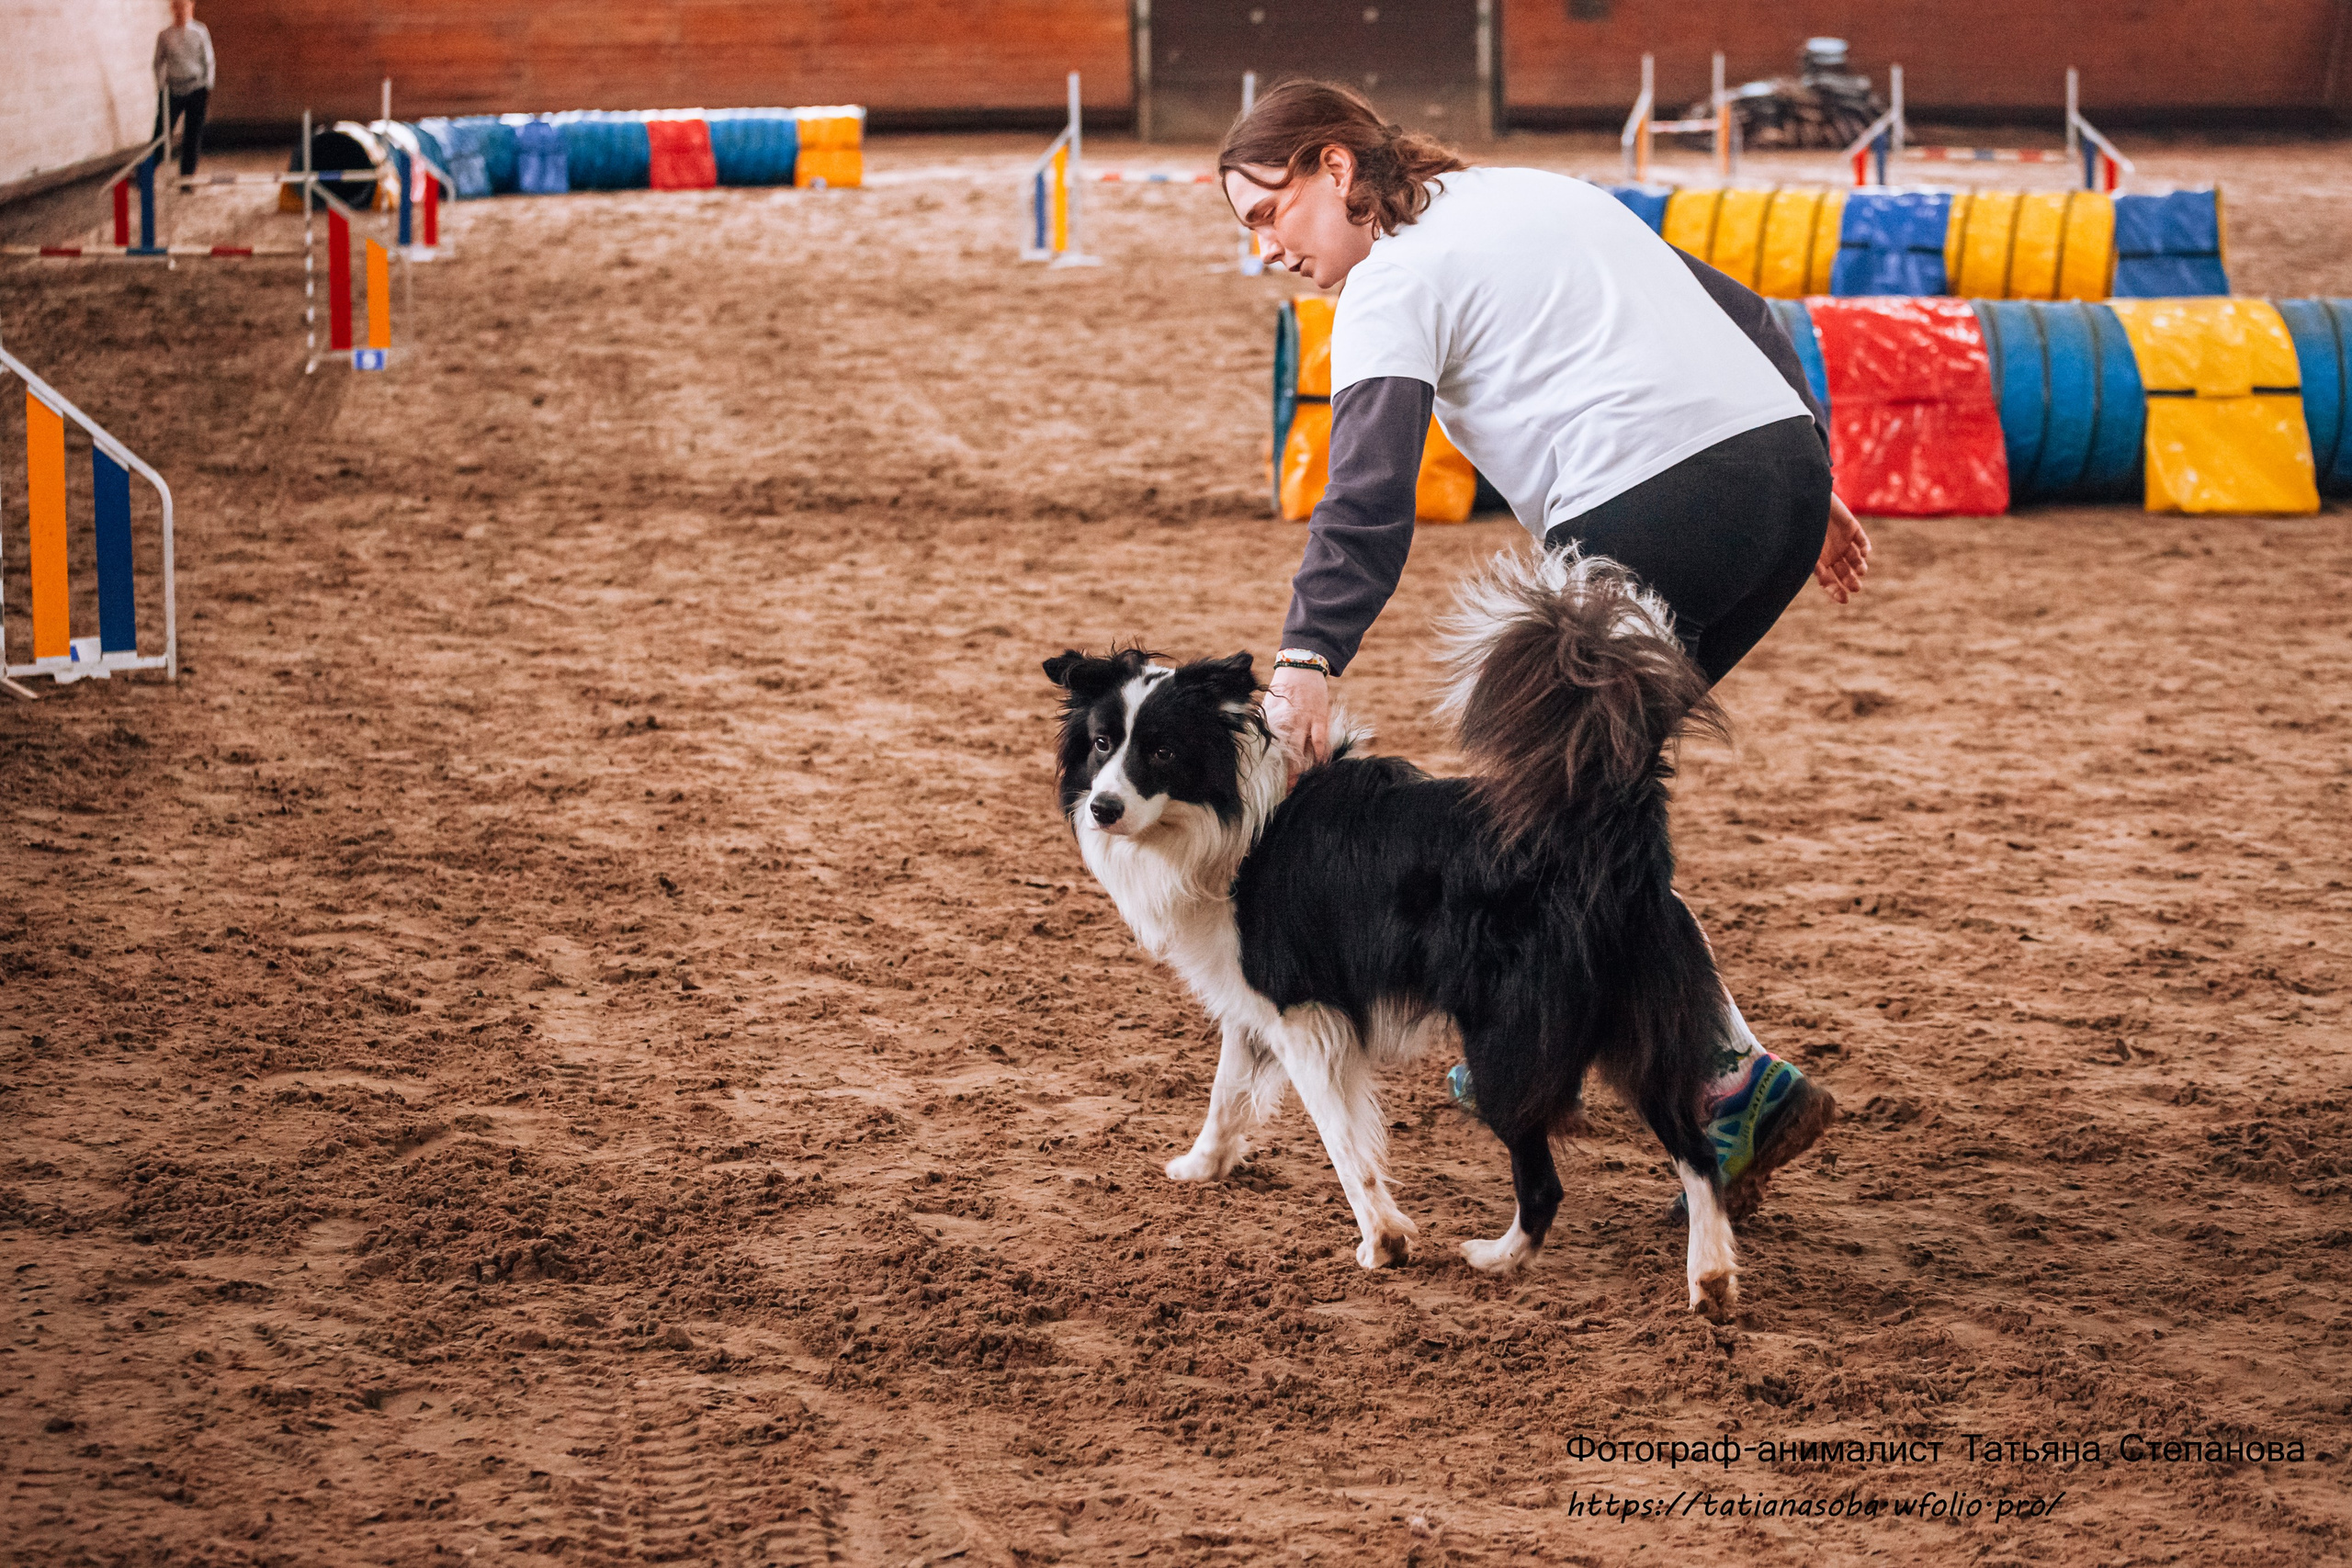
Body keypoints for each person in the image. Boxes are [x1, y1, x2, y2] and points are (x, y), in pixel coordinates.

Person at [1220, 81, 1862, 1216]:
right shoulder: (1531, 192)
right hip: (1775, 479)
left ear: (1335, 168)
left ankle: (1687, 1072)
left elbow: (1365, 495)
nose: (1265, 248)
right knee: (1581, 809)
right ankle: (1659, 1063)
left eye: (1268, 213)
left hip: (1647, 507)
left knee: (1548, 814)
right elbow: (1743, 311)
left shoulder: (1388, 281)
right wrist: (1802, 468)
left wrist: (1306, 657)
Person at [153, 0, 215, 181]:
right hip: (173, 89)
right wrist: (161, 86)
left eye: (184, 6)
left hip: (196, 87)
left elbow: (208, 59)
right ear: (173, 9)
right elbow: (158, 62)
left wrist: (208, 85)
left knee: (193, 134)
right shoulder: (165, 35)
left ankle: (187, 177)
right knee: (161, 132)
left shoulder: (200, 31)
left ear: (191, 7)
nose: (181, 11)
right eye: (177, 7)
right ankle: (146, 173)